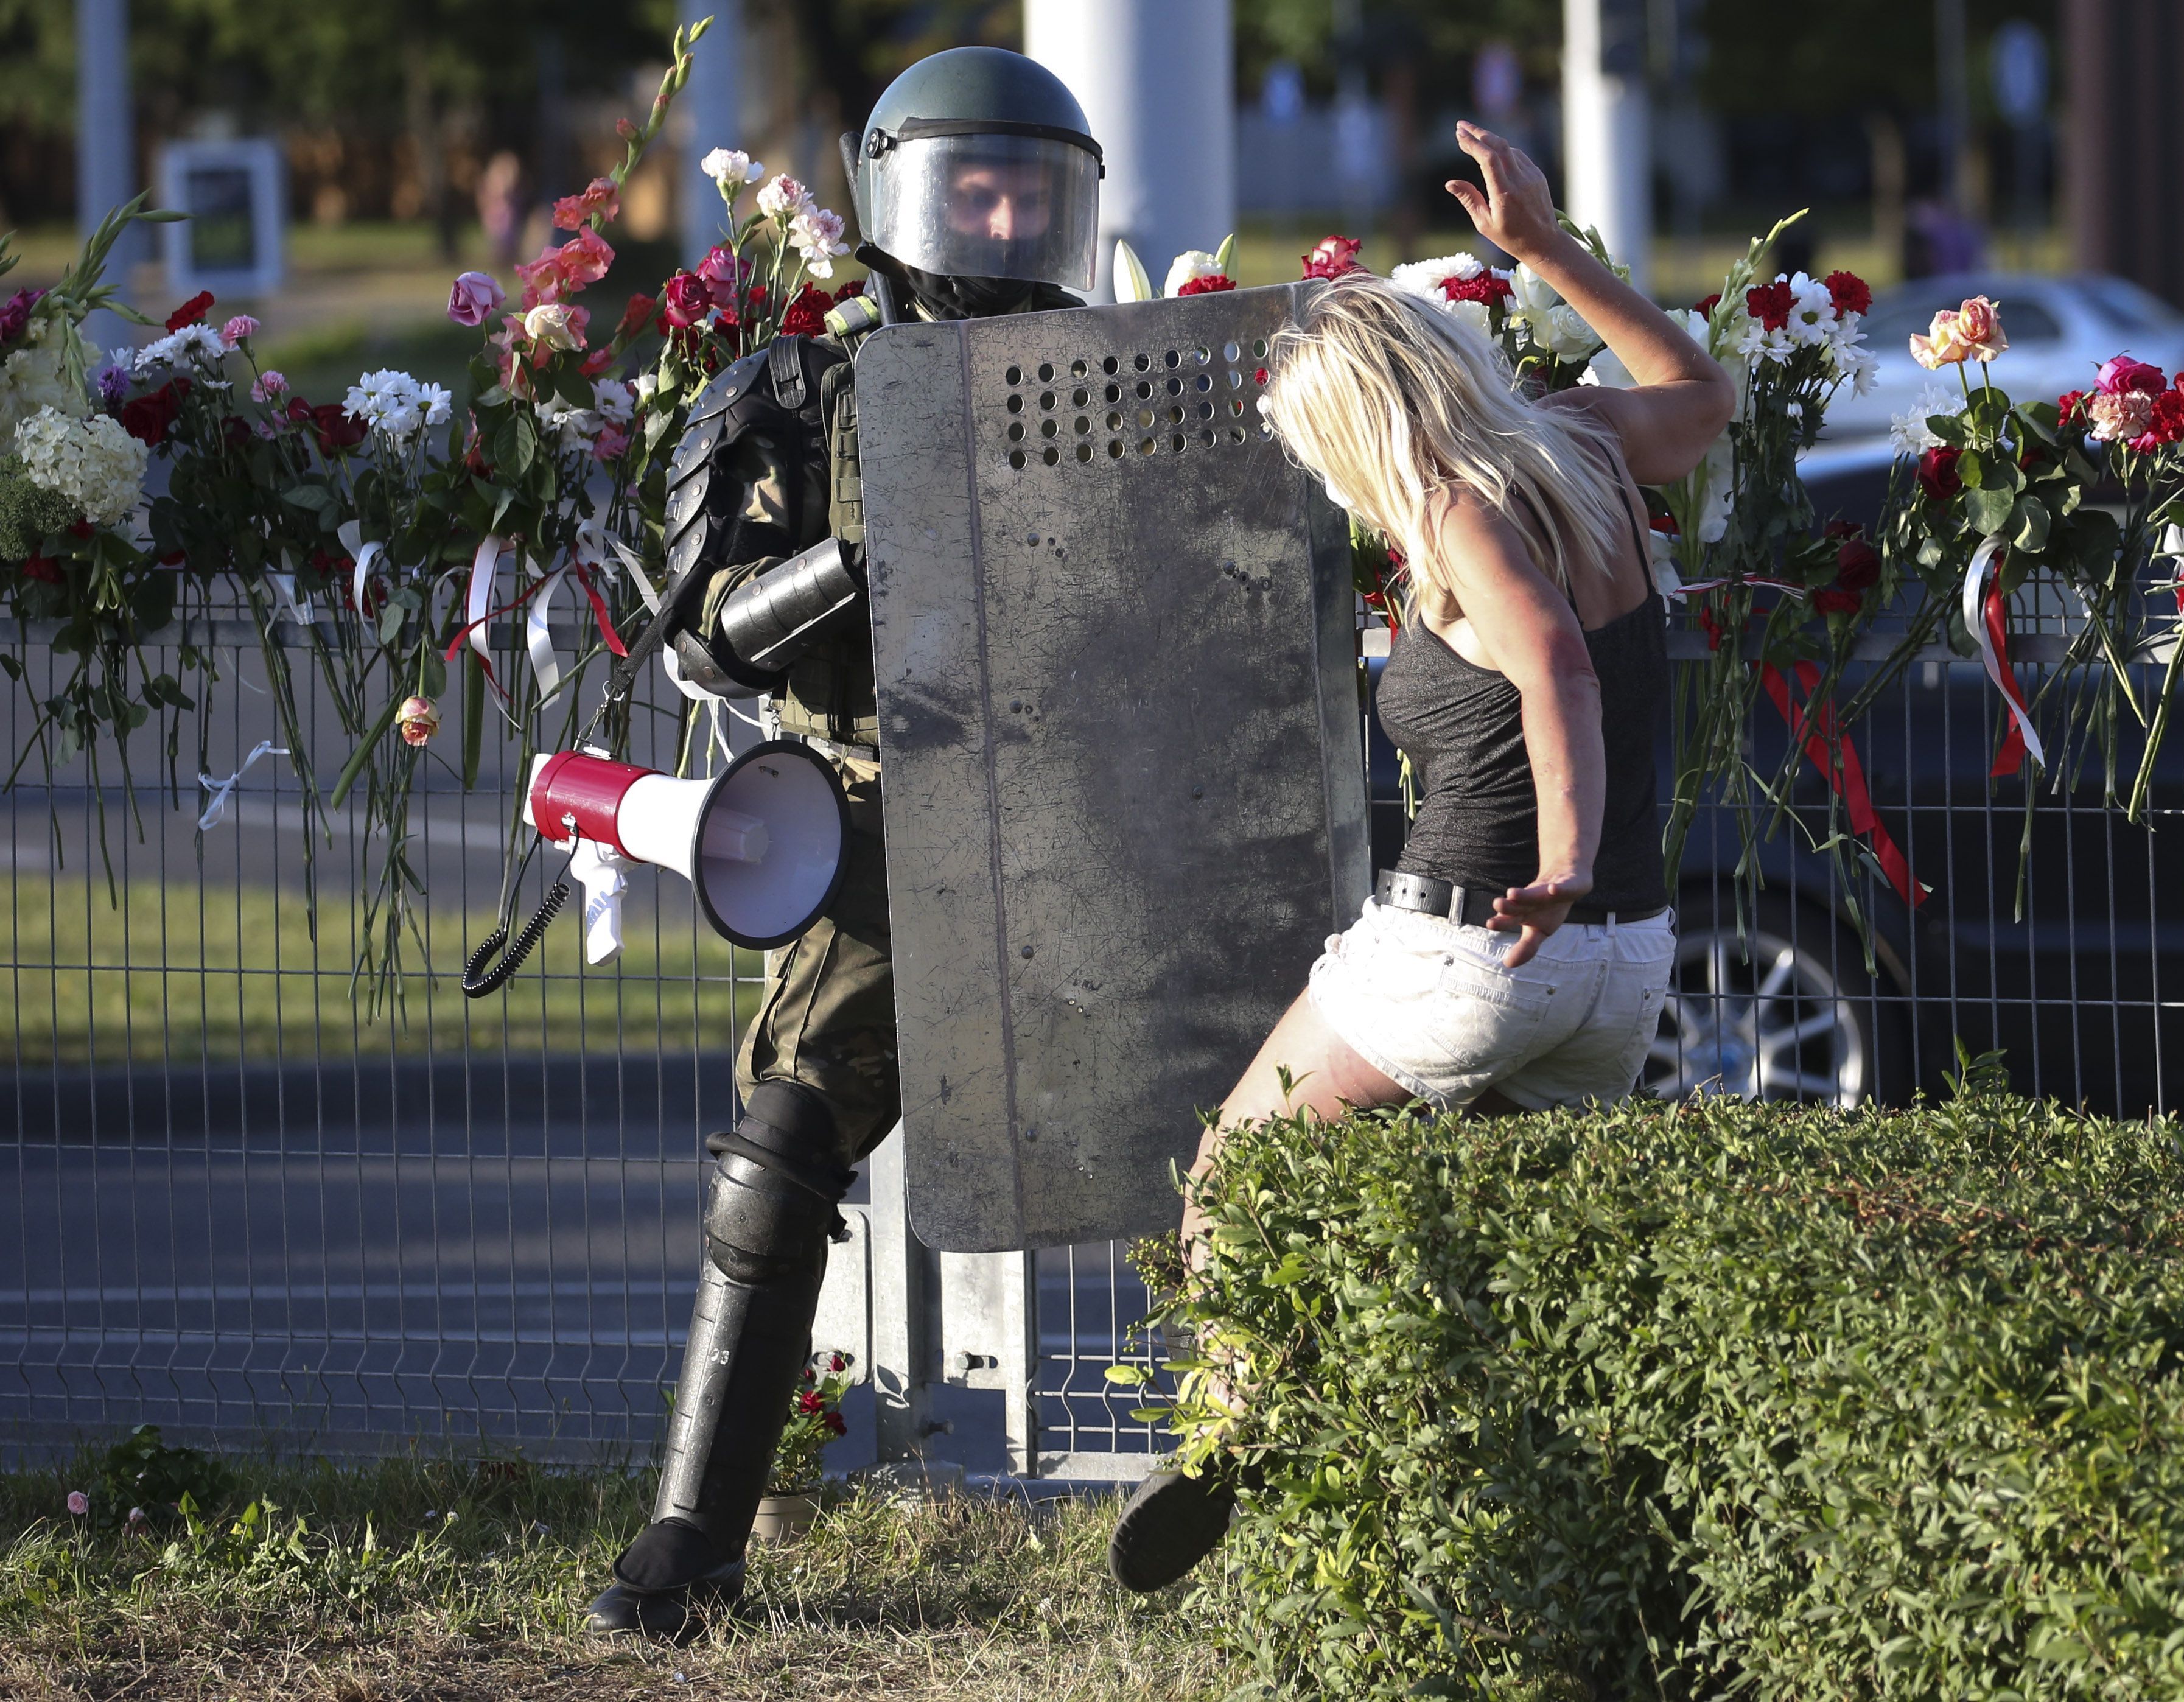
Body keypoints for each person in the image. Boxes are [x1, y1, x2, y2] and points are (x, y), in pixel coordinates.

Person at [1105, 121, 1735, 1594]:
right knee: (1490, 1257)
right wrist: (1545, 250)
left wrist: (1558, 859)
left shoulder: (1455, 513)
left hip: (1474, 945)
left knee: (1234, 1180)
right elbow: (1703, 394)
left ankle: (1239, 1432)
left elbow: (1556, 671)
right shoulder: (1584, 445)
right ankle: (1521, 1535)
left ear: (1355, 427)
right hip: (1622, 961)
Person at [585, 45, 1104, 1642]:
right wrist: (858, 569)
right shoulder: (796, 397)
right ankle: (691, 1543)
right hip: (876, 805)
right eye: (974, 189)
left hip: (1096, 802)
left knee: (1236, 1116)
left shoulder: (1127, 383)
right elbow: (699, 634)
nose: (1004, 218)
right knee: (782, 1143)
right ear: (903, 200)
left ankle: (1293, 1486)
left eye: (1028, 193)